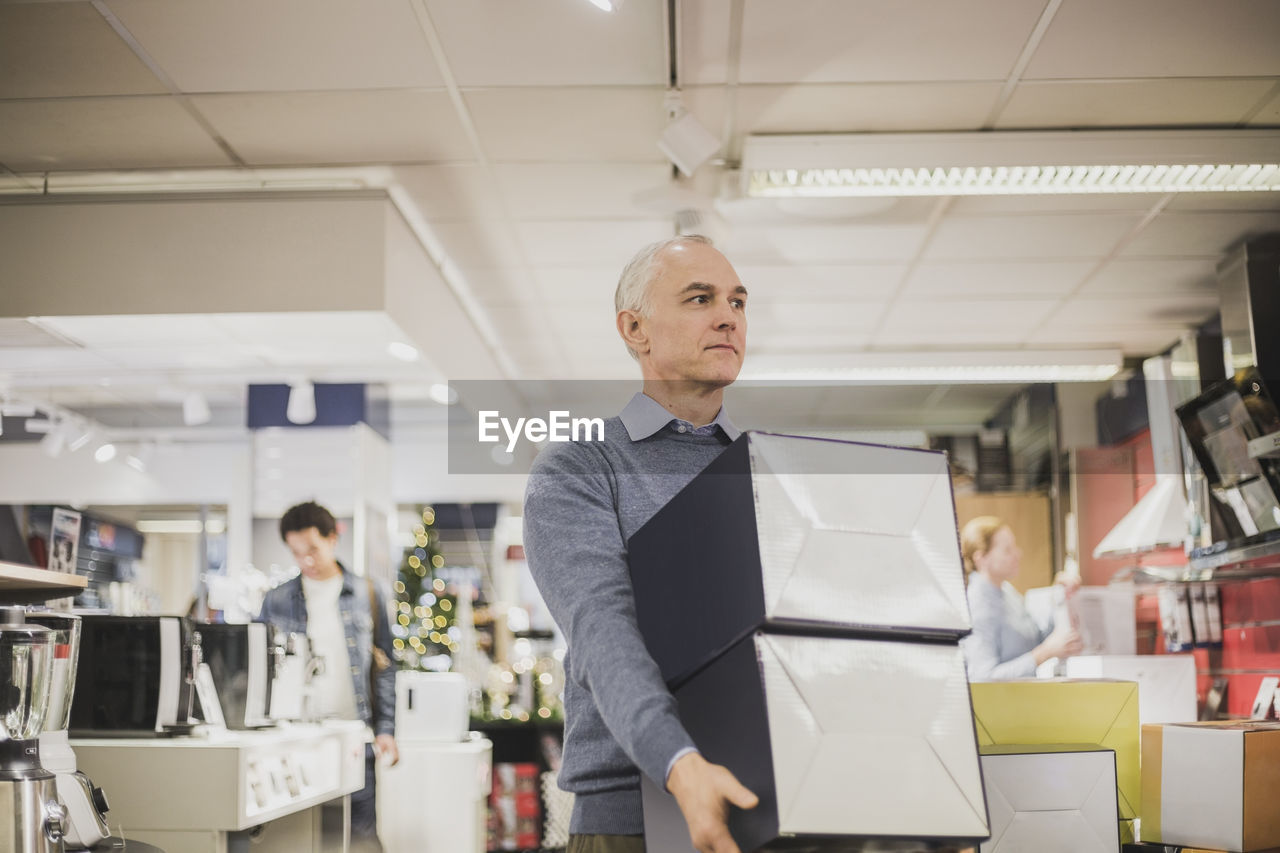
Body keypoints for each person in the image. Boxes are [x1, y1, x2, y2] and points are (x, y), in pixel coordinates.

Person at [523, 235, 758, 853]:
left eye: (737, 302)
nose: (727, 316)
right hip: (634, 814)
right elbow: (605, 631)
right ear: (635, 329)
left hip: (776, 798)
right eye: (700, 298)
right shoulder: (580, 468)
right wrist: (679, 763)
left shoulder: (774, 475)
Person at [256, 501, 397, 852]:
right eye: (296, 552)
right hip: (297, 741)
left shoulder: (367, 594)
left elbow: (385, 667)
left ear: (333, 539)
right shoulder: (277, 600)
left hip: (355, 737)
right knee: (304, 838)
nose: (306, 561)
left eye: (313, 550)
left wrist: (386, 730)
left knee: (362, 835)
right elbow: (258, 667)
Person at [960, 515, 1083, 680]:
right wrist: (1043, 654)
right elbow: (982, 678)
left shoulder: (1006, 591)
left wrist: (1059, 596)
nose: (1018, 553)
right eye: (1007, 549)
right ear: (981, 558)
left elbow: (1034, 637)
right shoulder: (977, 606)